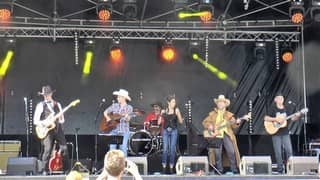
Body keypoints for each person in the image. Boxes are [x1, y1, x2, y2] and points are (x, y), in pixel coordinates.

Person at [33, 85, 69, 174]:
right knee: (48, 149)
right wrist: (45, 122)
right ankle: (44, 170)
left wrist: (60, 117)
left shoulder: (58, 104)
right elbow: (35, 121)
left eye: (47, 94)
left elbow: (62, 120)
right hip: (47, 130)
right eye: (44, 95)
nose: (46, 96)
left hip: (57, 128)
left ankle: (66, 170)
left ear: (51, 94)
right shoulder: (41, 105)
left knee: (64, 148)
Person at [202, 94, 241, 174]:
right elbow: (204, 122)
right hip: (216, 135)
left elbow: (234, 126)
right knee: (217, 153)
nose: (220, 104)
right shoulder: (212, 114)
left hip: (226, 134)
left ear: (225, 104)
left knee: (231, 151)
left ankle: (234, 169)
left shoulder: (229, 115)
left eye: (222, 102)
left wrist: (237, 123)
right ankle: (219, 170)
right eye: (219, 102)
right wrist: (210, 125)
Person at [264, 93, 301, 173]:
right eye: (279, 98)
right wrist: (276, 119)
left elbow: (293, 119)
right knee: (278, 152)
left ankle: (290, 169)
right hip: (275, 133)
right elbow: (266, 118)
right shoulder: (273, 108)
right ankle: (280, 170)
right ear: (275, 100)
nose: (281, 99)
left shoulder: (286, 108)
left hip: (285, 132)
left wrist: (297, 116)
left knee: (289, 151)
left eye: (282, 98)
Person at [103, 89, 133, 157]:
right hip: (114, 130)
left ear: (124, 98)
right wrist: (108, 118)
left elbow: (128, 120)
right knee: (112, 150)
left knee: (123, 149)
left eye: (119, 97)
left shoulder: (129, 108)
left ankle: (123, 165)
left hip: (124, 131)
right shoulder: (114, 105)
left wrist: (126, 117)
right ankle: (112, 165)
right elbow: (105, 112)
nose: (117, 98)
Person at [161, 95, 183, 174]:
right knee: (165, 149)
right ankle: (164, 166)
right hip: (165, 131)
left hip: (174, 130)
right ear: (168, 102)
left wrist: (178, 113)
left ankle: (171, 166)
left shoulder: (176, 110)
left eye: (174, 102)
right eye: (173, 101)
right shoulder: (164, 110)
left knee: (172, 149)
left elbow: (180, 121)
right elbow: (159, 122)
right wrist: (161, 114)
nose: (174, 103)